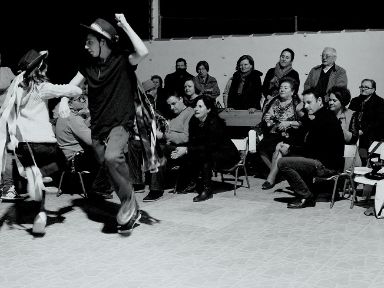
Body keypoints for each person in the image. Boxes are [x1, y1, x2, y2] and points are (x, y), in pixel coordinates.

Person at [63, 14, 158, 234]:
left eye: (90, 42)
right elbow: (71, 86)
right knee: (108, 167)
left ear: (103, 41)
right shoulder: (88, 66)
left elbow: (143, 52)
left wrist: (124, 24)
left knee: (112, 156)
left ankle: (126, 202)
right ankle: (131, 203)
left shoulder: (122, 60)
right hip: (98, 126)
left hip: (120, 123)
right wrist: (62, 100)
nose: (86, 46)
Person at [0, 49, 82, 235]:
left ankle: (40, 215)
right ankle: (38, 176)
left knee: (36, 180)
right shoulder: (42, 88)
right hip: (44, 142)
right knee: (62, 164)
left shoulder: (17, 87)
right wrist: (70, 93)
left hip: (23, 146)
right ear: (41, 70)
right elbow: (73, 89)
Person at [276, 88, 345, 209]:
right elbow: (300, 136)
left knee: (283, 163)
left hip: (327, 165)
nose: (306, 106)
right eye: (304, 103)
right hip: (320, 160)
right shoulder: (317, 116)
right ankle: (308, 192)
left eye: (309, 102)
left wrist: (291, 149)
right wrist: (289, 144)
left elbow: (314, 148)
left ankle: (306, 197)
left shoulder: (326, 119)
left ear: (319, 100)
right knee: (293, 157)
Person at [172, 95, 240, 202]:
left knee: (204, 156)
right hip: (209, 152)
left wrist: (186, 150)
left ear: (208, 109)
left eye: (200, 106)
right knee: (195, 154)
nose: (196, 109)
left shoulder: (216, 123)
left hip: (227, 156)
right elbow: (193, 141)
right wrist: (184, 150)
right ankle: (190, 182)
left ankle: (207, 190)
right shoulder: (194, 121)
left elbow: (210, 145)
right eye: (195, 106)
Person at [256, 77, 304, 188]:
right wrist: (268, 119)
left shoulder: (298, 104)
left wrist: (289, 123)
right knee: (261, 147)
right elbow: (268, 118)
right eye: (281, 87)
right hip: (274, 132)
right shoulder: (274, 101)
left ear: (292, 91)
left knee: (277, 149)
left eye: (285, 88)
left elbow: (303, 123)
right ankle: (276, 173)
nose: (282, 90)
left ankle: (271, 178)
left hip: (291, 134)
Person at [349, 79, 384, 166]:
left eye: (366, 87)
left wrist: (363, 130)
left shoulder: (380, 102)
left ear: (373, 89)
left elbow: (378, 122)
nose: (363, 89)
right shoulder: (355, 101)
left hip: (371, 137)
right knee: (353, 158)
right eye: (361, 86)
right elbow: (350, 116)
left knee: (370, 160)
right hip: (356, 134)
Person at [0, 51, 19, 200]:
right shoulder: (5, 72)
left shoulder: (6, 71)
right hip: (4, 118)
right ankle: (8, 188)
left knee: (6, 153)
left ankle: (6, 187)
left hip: (5, 118)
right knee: (7, 153)